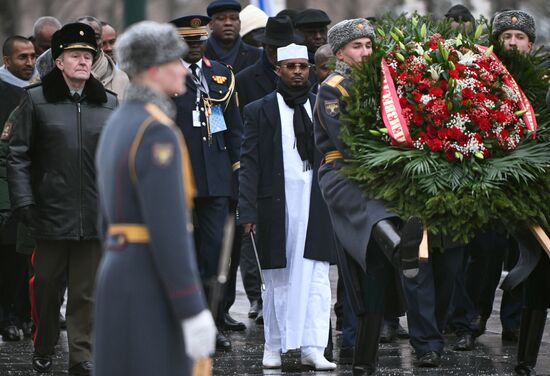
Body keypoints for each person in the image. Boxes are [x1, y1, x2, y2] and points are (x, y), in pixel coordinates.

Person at [93, 20, 216, 376]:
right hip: (151, 279)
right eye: (175, 61)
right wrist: (192, 308)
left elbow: (106, 218)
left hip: (117, 271)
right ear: (153, 70)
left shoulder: (119, 121)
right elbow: (169, 231)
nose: (183, 69)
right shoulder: (156, 131)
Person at [7, 23, 118, 375]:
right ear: (59, 61)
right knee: (46, 288)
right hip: (49, 213)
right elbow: (18, 153)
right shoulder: (36, 100)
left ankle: (80, 357)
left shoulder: (109, 103)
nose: (83, 61)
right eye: (75, 55)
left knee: (86, 293)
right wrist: (24, 201)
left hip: (94, 214)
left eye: (88, 55)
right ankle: (44, 344)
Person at [314, 18, 423, 375]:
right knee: (375, 215)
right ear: (340, 51)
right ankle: (398, 247)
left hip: (378, 175)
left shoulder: (384, 84)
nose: (364, 52)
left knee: (373, 273)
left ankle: (364, 361)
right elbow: (346, 140)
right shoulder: (333, 87)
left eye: (368, 46)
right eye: (356, 46)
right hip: (343, 175)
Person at [239, 43, 336, 371]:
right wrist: (247, 211)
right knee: (277, 278)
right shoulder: (259, 110)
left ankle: (313, 347)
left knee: (316, 278)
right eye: (290, 66)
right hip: (275, 207)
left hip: (315, 204)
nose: (298, 72)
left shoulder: (320, 105)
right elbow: (249, 163)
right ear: (278, 70)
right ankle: (274, 346)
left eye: (303, 66)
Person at [170, 14, 243, 351]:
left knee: (214, 256)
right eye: (188, 42)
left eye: (199, 41)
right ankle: (176, 323)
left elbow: (233, 127)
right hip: (177, 177)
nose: (195, 47)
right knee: (181, 255)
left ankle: (210, 324)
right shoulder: (165, 77)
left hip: (215, 178)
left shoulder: (220, 74)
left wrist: (236, 172)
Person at [76, 16, 129, 100]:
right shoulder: (63, 76)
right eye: (84, 37)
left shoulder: (123, 79)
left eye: (96, 37)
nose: (91, 41)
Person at [205, 0, 261, 74]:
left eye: (233, 18)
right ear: (211, 24)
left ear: (240, 23)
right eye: (221, 18)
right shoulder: (199, 54)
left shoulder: (258, 56)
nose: (228, 23)